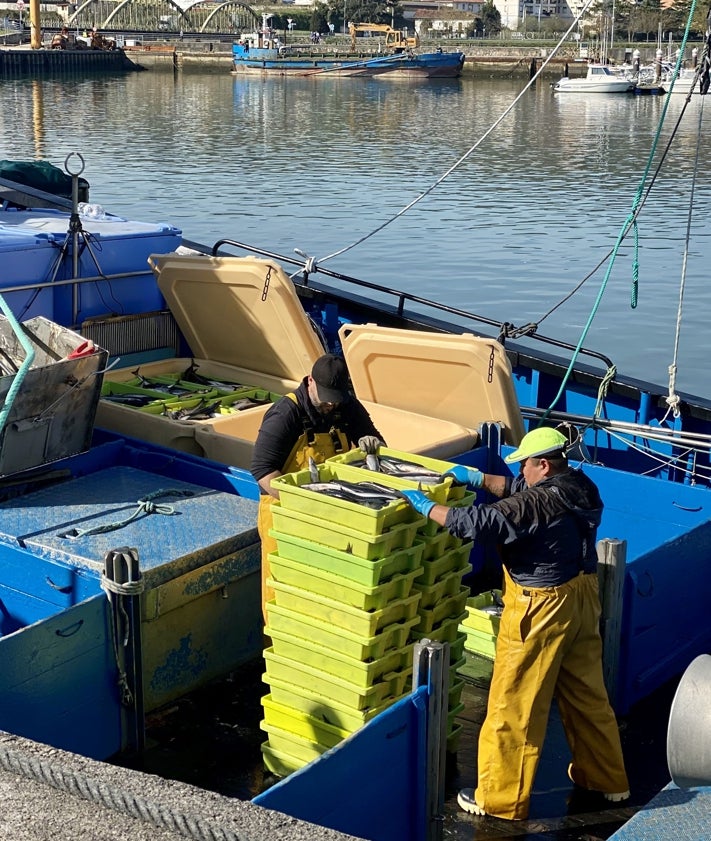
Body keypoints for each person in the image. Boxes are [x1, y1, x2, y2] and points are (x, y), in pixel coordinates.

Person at [400, 426, 630, 821]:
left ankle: (500, 801)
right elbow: (530, 497)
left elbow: (478, 524)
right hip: (581, 597)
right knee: (588, 696)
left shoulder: (535, 503)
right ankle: (608, 781)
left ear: (543, 463)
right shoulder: (580, 485)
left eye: (526, 463)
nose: (521, 470)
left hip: (540, 609)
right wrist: (478, 479)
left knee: (515, 705)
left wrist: (427, 508)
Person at [250, 353, 384, 623]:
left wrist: (372, 444)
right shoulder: (285, 413)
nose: (331, 403)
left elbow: (378, 444)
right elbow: (262, 472)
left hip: (332, 513)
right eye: (326, 396)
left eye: (337, 397)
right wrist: (302, 503)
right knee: (282, 594)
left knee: (325, 595)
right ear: (310, 381)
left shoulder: (345, 406)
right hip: (285, 515)